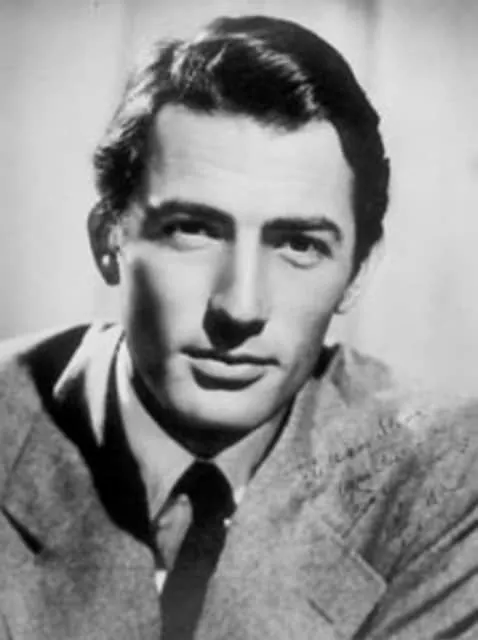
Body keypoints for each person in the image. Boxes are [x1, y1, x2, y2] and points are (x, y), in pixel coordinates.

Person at [1, 14, 477, 640]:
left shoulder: (446, 471)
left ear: (357, 272)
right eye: (193, 230)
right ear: (109, 240)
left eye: (299, 244)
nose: (241, 308)